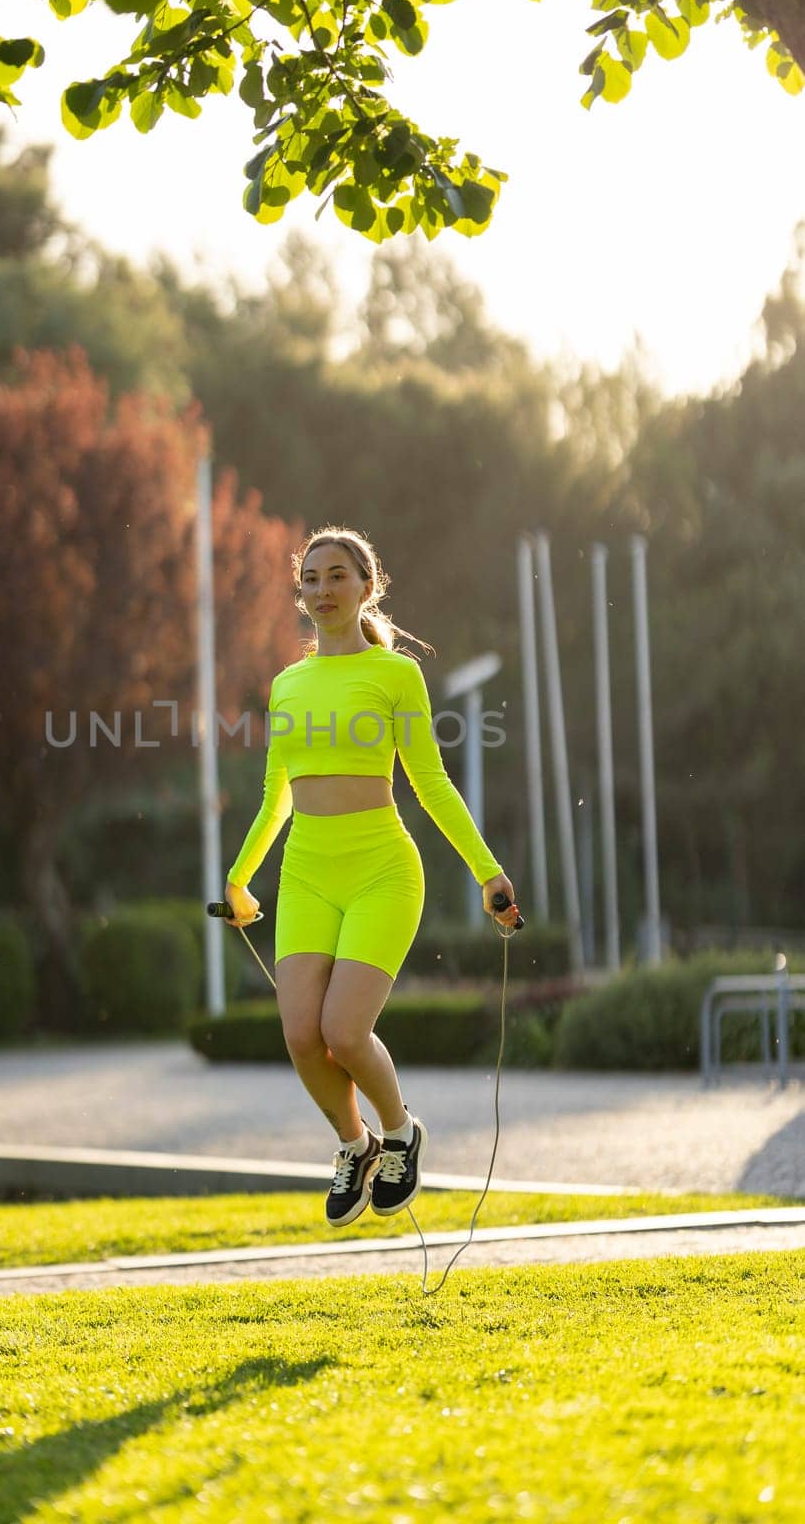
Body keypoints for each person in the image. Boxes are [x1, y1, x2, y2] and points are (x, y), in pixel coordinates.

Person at [223, 525, 518, 1229]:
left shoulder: (395, 675)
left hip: (382, 868)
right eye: (311, 579)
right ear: (300, 592)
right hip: (306, 873)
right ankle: (353, 1146)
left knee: (343, 1032)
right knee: (301, 1035)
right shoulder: (287, 684)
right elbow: (275, 798)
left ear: (366, 586)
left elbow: (431, 783)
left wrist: (487, 873)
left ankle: (399, 1134)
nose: (321, 590)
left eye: (336, 576)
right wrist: (238, 880)